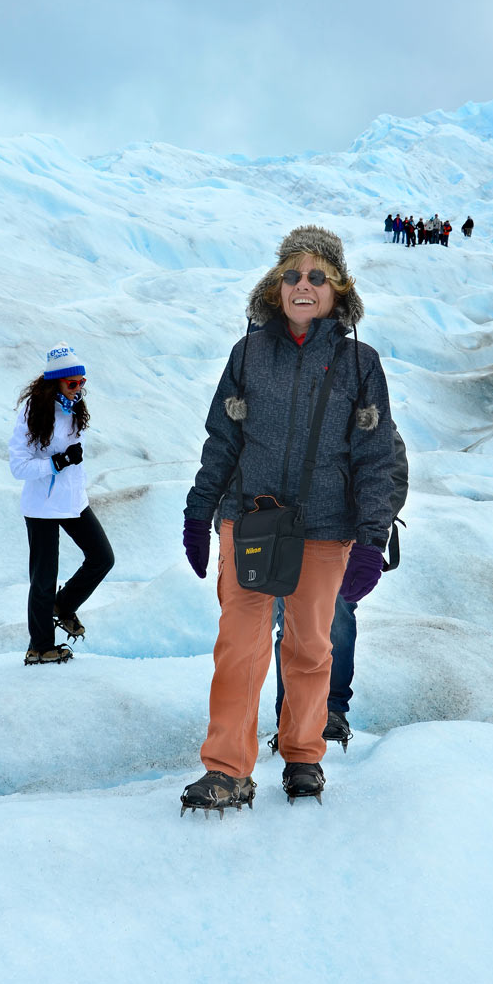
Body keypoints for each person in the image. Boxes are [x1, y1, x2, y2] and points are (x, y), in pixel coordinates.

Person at [181, 225, 396, 814]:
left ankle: (303, 755)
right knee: (239, 649)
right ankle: (227, 769)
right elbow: (221, 440)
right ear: (276, 285)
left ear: (337, 288)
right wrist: (199, 514)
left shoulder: (360, 364)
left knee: (309, 648)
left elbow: (377, 457)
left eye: (317, 276)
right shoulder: (247, 353)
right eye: (292, 275)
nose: (304, 285)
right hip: (248, 523)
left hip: (328, 530)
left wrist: (373, 540)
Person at [270, 424, 408, 752]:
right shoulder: (274, 395)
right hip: (280, 529)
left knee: (336, 618)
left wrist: (372, 529)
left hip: (340, 535)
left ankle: (330, 710)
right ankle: (291, 717)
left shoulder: (358, 396)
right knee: (289, 623)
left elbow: (391, 467)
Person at [8, 342, 114, 665]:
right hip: (41, 507)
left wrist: (71, 473)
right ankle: (39, 647)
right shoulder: (34, 412)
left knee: (102, 557)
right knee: (43, 578)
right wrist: (56, 463)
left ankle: (63, 605)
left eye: (82, 382)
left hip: (73, 502)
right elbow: (18, 466)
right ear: (55, 382)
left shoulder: (74, 407)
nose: (78, 388)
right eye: (72, 383)